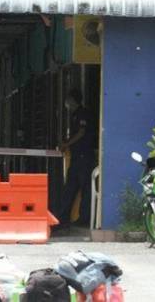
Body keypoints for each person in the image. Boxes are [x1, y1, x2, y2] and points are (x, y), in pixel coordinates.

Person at [59, 89, 97, 226]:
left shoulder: (83, 114)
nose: (66, 103)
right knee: (70, 187)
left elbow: (81, 132)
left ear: (73, 100)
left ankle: (84, 219)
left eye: (68, 99)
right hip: (77, 157)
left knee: (85, 188)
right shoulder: (75, 115)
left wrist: (66, 144)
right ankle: (63, 218)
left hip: (84, 157)